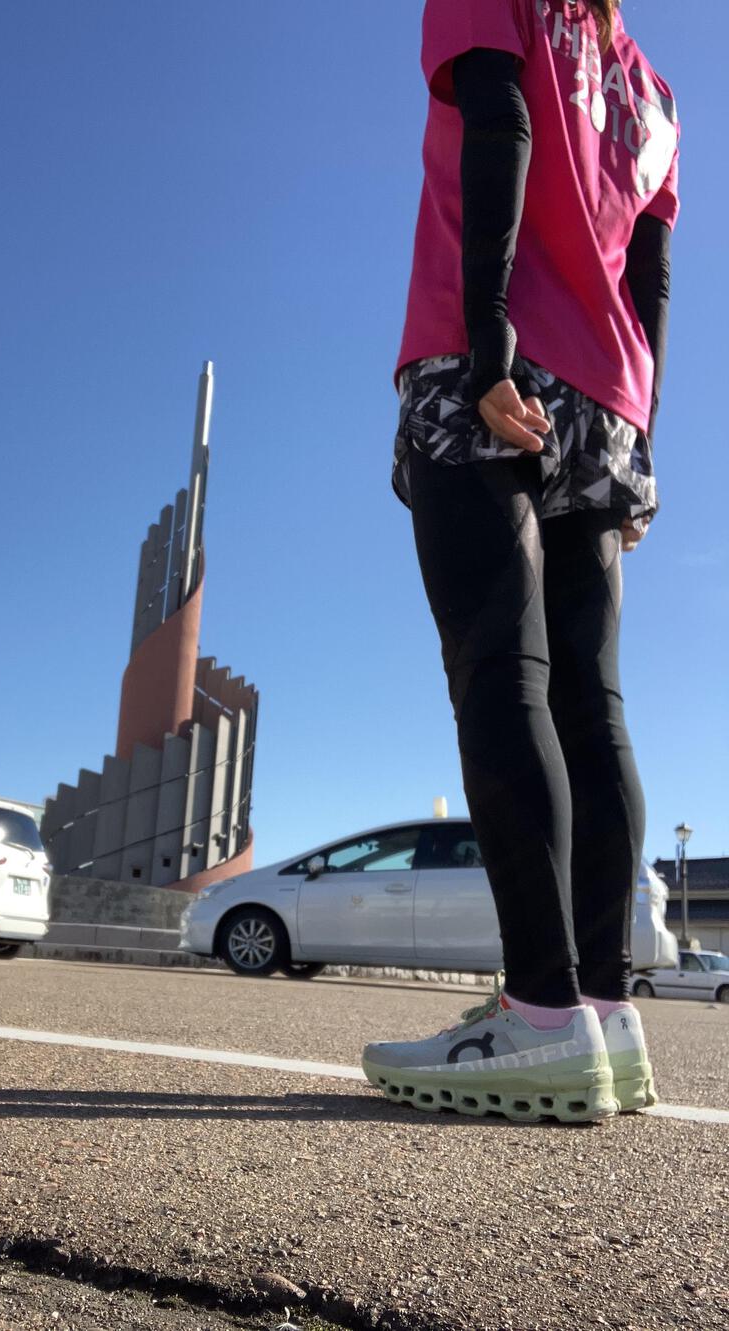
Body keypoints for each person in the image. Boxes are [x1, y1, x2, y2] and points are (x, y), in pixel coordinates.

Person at [362, 0, 679, 1123]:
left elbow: (500, 118)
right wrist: (641, 434)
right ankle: (603, 1013)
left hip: (486, 352)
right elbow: (650, 271)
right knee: (592, 700)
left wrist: (488, 335)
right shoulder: (651, 90)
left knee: (501, 669)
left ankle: (539, 1015)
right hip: (606, 394)